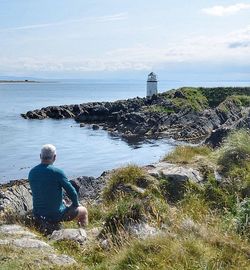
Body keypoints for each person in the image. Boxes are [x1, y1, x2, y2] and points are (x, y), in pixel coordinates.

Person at [28, 144, 88, 230]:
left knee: (62, 201)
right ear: (55, 157)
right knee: (83, 211)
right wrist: (76, 204)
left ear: (40, 156)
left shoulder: (32, 172)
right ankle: (83, 234)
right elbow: (72, 192)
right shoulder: (57, 172)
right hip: (55, 216)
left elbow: (43, 191)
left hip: (37, 214)